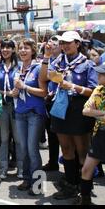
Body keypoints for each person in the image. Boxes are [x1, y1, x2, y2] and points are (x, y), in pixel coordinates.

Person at [48, 31, 97, 200]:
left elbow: (93, 91)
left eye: (68, 42)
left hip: (78, 109)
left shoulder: (87, 64)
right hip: (61, 107)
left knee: (82, 150)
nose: (65, 45)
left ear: (77, 43)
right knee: (66, 148)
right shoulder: (56, 62)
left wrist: (74, 87)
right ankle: (70, 185)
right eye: (62, 43)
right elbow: (51, 83)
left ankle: (85, 189)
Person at [77, 61, 105, 205]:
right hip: (100, 133)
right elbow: (86, 110)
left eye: (103, 73)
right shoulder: (98, 89)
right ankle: (85, 200)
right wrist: (104, 113)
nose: (98, 75)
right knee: (86, 169)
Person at [13, 39, 48, 195]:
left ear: (33, 51)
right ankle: (27, 179)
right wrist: (14, 92)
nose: (22, 51)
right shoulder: (18, 68)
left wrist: (24, 87)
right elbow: (16, 90)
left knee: (32, 149)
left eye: (26, 48)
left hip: (35, 113)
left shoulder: (39, 67)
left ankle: (38, 184)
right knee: (23, 148)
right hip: (20, 112)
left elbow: (44, 92)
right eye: (20, 48)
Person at [0, 39, 23, 179]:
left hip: (17, 106)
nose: (5, 50)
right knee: (3, 139)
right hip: (2, 107)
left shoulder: (20, 66)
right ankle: (2, 169)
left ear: (13, 49)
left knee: (18, 139)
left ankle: (21, 169)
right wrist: (6, 93)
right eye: (3, 47)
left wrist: (16, 91)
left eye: (8, 47)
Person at [42, 36, 62, 172]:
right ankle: (53, 161)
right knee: (51, 134)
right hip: (48, 102)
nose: (52, 45)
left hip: (61, 101)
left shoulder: (64, 61)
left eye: (56, 43)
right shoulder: (45, 60)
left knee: (65, 136)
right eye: (50, 42)